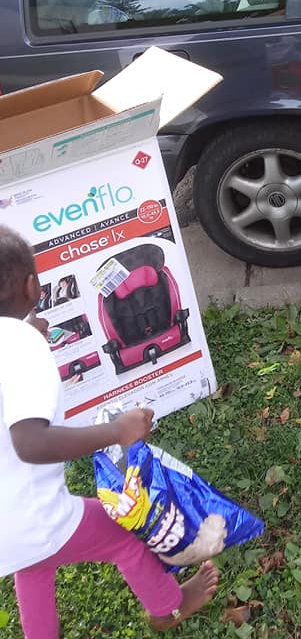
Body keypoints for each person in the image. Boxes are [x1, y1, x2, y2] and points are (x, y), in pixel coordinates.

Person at [0, 224, 219, 638]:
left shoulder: (15, 342)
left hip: (7, 528)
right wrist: (118, 431)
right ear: (32, 287)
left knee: (32, 563)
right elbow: (29, 442)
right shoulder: (22, 349)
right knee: (126, 532)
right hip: (35, 519)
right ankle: (168, 606)